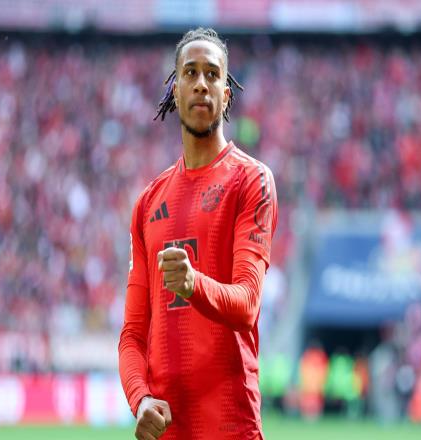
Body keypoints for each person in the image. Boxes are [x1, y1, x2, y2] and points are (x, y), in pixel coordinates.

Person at [119, 27, 278, 440]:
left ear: (226, 95)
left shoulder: (252, 181)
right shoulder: (148, 203)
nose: (201, 84)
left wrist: (194, 284)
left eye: (212, 74)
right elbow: (132, 335)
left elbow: (247, 304)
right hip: (168, 431)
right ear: (175, 91)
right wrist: (140, 399)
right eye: (190, 73)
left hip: (232, 427)